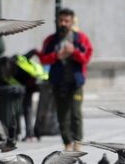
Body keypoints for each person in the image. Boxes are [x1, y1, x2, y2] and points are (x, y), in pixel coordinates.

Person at [35, 8, 93, 152]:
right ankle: (67, 142)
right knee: (62, 115)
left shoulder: (81, 39)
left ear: (72, 22)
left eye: (66, 21)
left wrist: (74, 52)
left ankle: (78, 141)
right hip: (58, 82)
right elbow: (43, 59)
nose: (63, 24)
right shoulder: (50, 40)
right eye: (61, 20)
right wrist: (57, 56)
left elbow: (86, 58)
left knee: (75, 113)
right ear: (57, 22)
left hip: (75, 82)